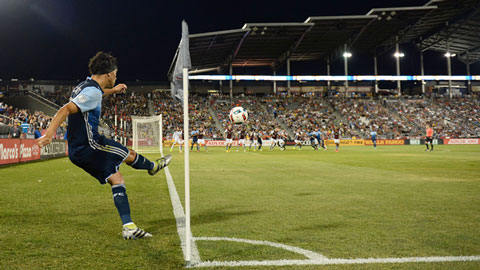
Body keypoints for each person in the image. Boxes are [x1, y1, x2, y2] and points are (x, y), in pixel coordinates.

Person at [37, 52, 172, 240]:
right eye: (115, 74)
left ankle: (129, 227)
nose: (116, 77)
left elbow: (95, 94)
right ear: (108, 74)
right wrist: (49, 133)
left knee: (117, 178)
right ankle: (152, 167)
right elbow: (66, 109)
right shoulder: (92, 91)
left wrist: (114, 90)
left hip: (78, 150)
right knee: (127, 153)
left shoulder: (84, 86)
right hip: (90, 145)